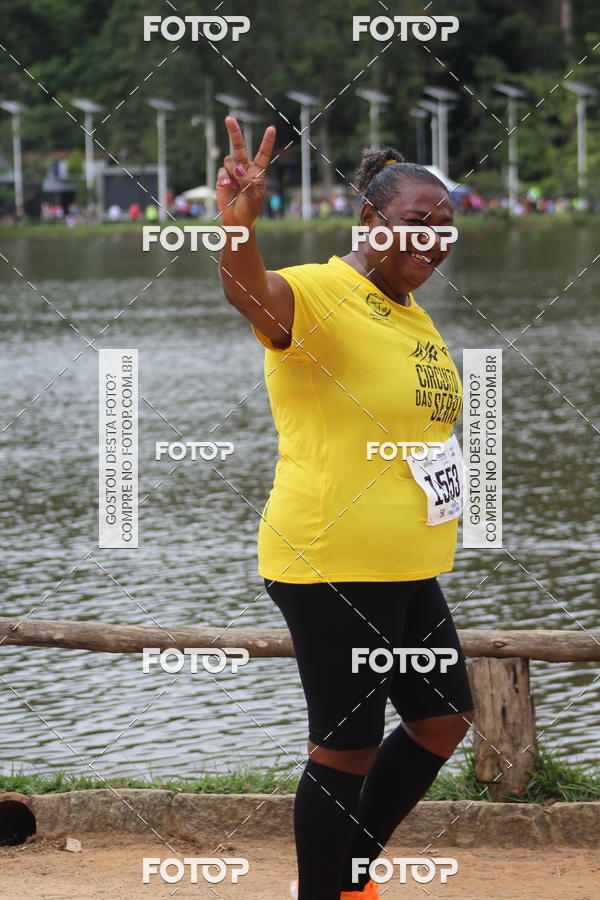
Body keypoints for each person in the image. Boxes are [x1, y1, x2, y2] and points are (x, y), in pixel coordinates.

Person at [217, 116, 474, 900]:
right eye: (416, 224)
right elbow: (250, 294)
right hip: (331, 560)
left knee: (442, 719)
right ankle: (323, 891)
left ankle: (348, 871)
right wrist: (235, 231)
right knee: (346, 746)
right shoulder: (324, 291)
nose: (432, 240)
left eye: (446, 228)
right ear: (369, 221)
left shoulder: (412, 315)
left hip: (406, 562)